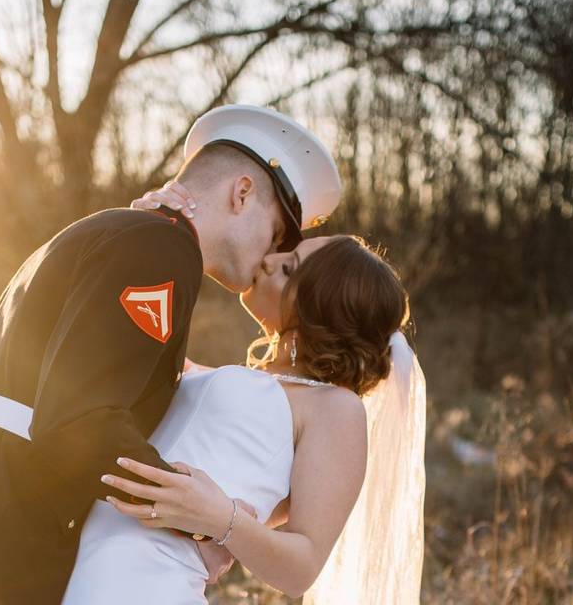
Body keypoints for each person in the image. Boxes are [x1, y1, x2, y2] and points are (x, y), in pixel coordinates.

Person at [0, 104, 342, 605]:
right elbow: (81, 419)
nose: (268, 257)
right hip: (4, 527)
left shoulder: (128, 232)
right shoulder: (162, 249)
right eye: (274, 235)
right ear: (241, 193)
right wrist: (196, 520)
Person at [63, 186, 425, 603]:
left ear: (323, 308)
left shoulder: (335, 408)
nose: (268, 260)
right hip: (80, 567)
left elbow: (301, 567)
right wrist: (144, 227)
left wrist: (221, 520)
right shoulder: (235, 379)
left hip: (148, 583)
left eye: (289, 268)